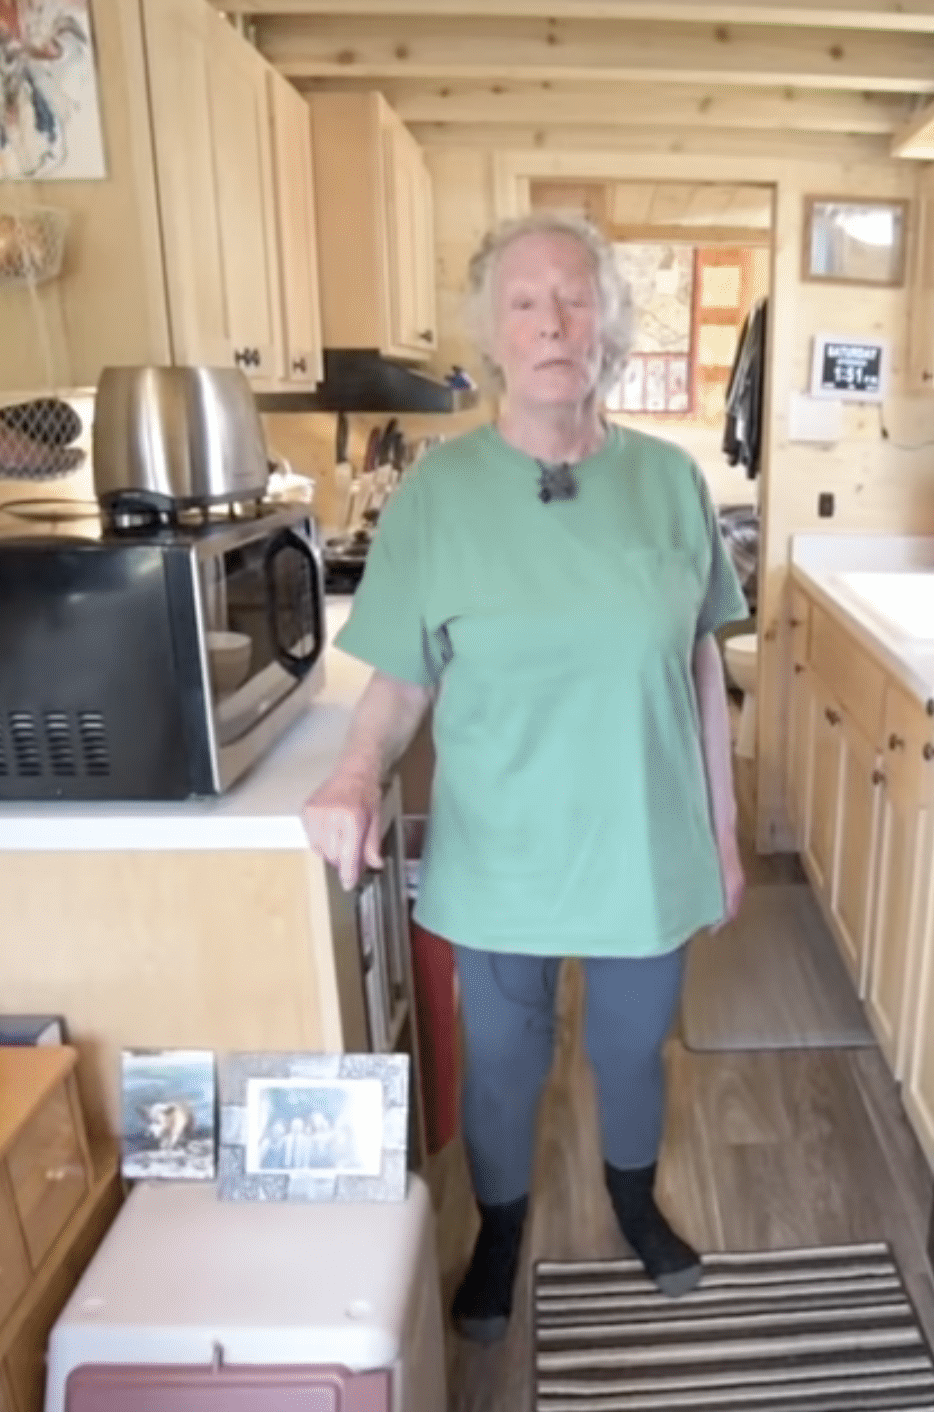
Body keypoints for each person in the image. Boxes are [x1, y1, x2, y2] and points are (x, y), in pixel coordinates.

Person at [301, 212, 747, 1343]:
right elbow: (399, 678)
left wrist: (726, 836)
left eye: (575, 298)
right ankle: (499, 1229)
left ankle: (633, 1202)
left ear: (608, 327)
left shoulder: (670, 484)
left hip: (645, 842)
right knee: (501, 1059)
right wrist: (355, 772)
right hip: (499, 848)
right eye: (524, 303)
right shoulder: (439, 496)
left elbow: (700, 667)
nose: (553, 321)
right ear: (493, 338)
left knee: (629, 1046)